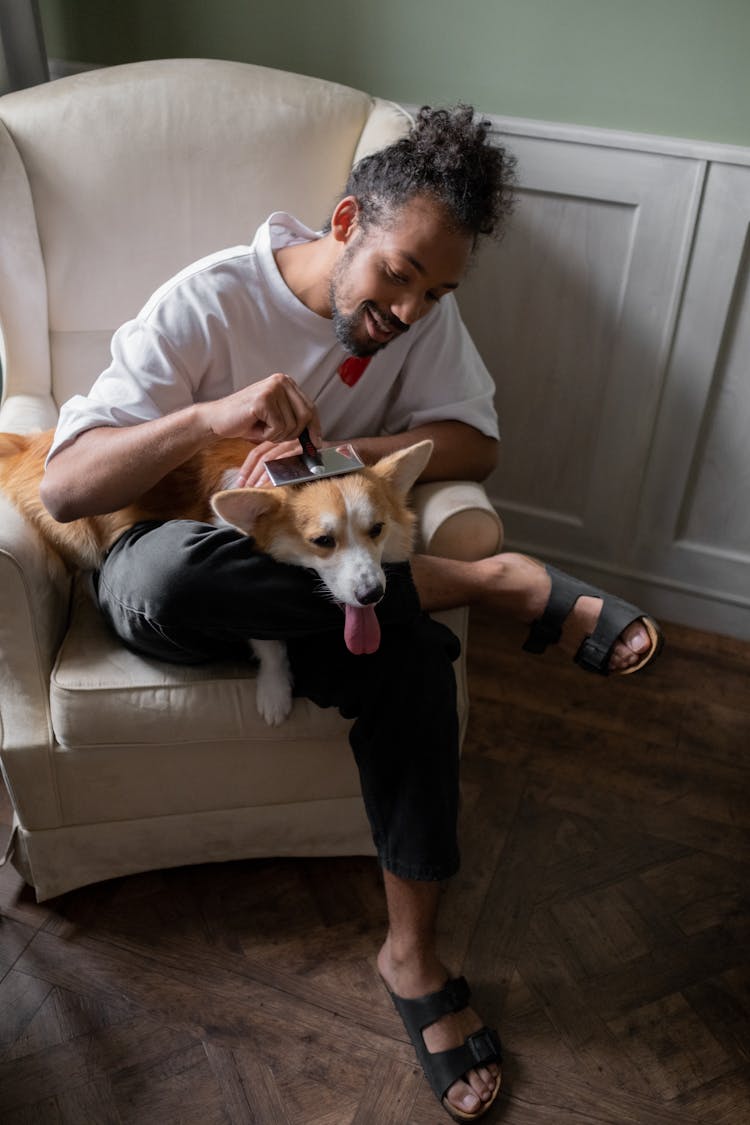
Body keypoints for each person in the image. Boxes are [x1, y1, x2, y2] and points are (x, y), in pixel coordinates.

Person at [40, 105, 662, 1122]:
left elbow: (476, 446)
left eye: (439, 290)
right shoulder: (208, 300)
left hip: (341, 581)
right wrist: (209, 418)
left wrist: (336, 464)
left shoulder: (424, 319)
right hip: (176, 560)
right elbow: (66, 489)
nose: (412, 311)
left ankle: (411, 955)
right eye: (398, 276)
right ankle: (495, 584)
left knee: (407, 657)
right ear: (344, 224)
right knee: (167, 581)